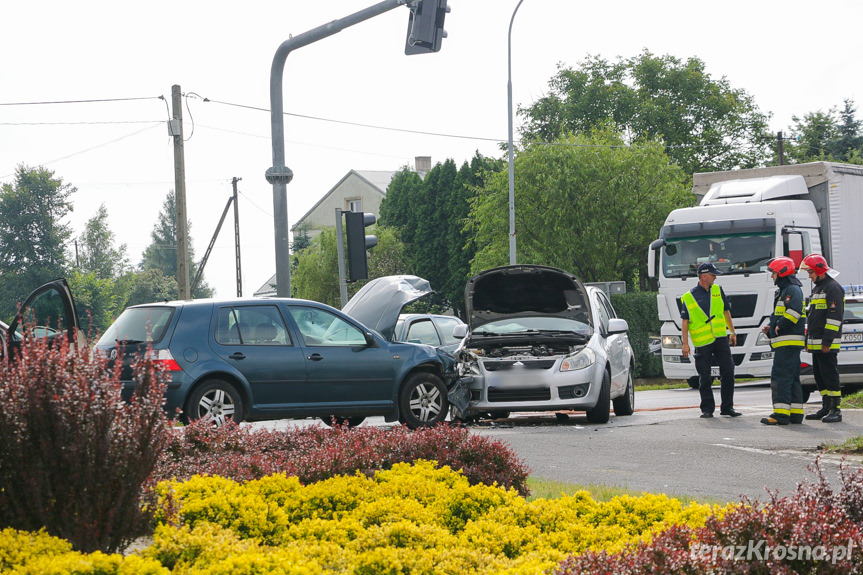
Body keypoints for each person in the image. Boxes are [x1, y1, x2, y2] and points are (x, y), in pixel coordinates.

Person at [681, 262, 741, 418]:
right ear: (704, 276)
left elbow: (726, 312)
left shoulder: (717, 290)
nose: (715, 277)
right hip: (703, 342)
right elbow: (685, 322)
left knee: (728, 371)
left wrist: (732, 331)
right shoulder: (689, 297)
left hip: (721, 338)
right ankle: (707, 409)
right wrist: (685, 344)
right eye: (713, 275)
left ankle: (727, 407)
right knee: (705, 377)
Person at [760, 257, 806, 425]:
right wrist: (770, 327)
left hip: (787, 343)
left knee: (780, 377)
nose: (772, 276)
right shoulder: (786, 290)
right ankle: (795, 413)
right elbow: (780, 314)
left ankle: (780, 414)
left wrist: (780, 326)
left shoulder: (791, 290)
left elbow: (794, 312)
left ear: (781, 273)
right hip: (787, 343)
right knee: (792, 377)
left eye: (773, 273)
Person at [801, 254, 845, 423]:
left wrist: (827, 341)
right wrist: (808, 341)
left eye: (811, 272)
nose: (809, 276)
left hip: (826, 344)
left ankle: (836, 409)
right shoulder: (818, 288)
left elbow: (834, 318)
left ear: (820, 270)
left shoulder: (832, 288)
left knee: (830, 375)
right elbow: (812, 317)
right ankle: (826, 407)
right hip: (816, 343)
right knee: (820, 376)